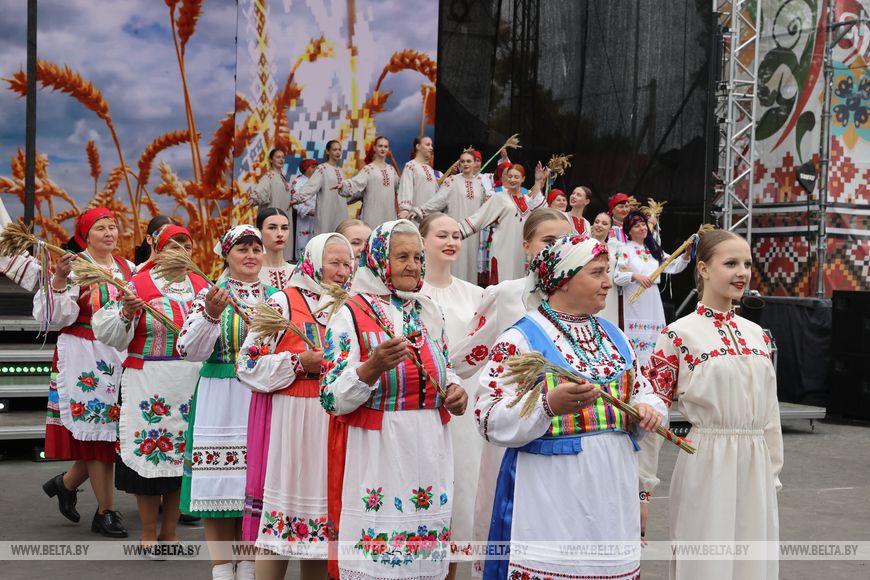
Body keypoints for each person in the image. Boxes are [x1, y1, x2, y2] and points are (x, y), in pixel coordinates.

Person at [476, 234, 666, 580]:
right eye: (597, 273)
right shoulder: (521, 339)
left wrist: (647, 408)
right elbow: (488, 417)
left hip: (612, 491)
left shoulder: (615, 336)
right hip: (551, 493)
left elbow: (642, 389)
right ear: (563, 279)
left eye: (607, 272)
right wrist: (546, 406)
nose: (608, 282)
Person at [320, 219, 468, 580]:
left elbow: (444, 366)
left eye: (417, 257)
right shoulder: (351, 312)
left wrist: (455, 389)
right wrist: (371, 368)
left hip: (430, 448)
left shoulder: (427, 310)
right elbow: (331, 396)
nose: (413, 266)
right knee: (382, 559)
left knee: (424, 553)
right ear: (378, 259)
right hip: (380, 450)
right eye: (402, 256)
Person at [641, 229, 782, 579]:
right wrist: (642, 489)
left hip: (756, 467)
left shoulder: (758, 335)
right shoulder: (677, 335)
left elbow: (770, 412)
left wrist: (772, 473)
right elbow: (652, 414)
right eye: (731, 263)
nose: (742, 273)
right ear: (703, 268)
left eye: (747, 264)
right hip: (705, 462)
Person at [237, 232, 354, 579]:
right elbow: (247, 364)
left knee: (321, 528)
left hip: (335, 422)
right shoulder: (283, 302)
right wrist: (300, 362)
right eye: (334, 263)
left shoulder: (352, 305)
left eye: (347, 263)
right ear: (313, 262)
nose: (342, 271)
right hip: (294, 423)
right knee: (283, 523)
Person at [92, 225, 207, 554]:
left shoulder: (202, 286)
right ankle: (146, 532)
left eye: (186, 244)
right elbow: (110, 333)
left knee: (180, 460)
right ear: (158, 248)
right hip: (148, 380)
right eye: (174, 244)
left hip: (189, 381)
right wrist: (127, 311)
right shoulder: (139, 283)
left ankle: (169, 533)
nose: (181, 250)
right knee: (150, 457)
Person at [178, 225, 277, 580]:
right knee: (219, 484)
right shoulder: (209, 295)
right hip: (220, 398)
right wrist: (210, 314)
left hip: (261, 397)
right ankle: (222, 569)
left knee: (254, 487)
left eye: (256, 248)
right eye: (242, 249)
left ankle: (248, 567)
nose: (250, 255)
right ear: (226, 255)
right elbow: (188, 350)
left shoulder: (276, 298)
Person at [37, 208, 134, 538]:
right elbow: (54, 318)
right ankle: (105, 512)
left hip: (118, 355)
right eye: (100, 228)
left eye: (113, 227)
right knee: (98, 432)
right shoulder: (74, 266)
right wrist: (59, 280)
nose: (109, 233)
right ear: (85, 236)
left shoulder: (127, 268)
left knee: (108, 435)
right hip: (84, 356)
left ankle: (65, 485)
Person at [419, 213, 484, 576]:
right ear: (422, 240)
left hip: (465, 406)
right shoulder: (410, 295)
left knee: (462, 495)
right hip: (423, 406)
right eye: (441, 235)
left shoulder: (476, 295)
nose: (451, 241)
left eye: (456, 235)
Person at [613, 210, 691, 367]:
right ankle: (638, 367)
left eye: (643, 224)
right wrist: (636, 276)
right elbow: (618, 277)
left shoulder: (654, 249)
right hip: (635, 297)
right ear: (629, 231)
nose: (642, 228)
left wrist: (686, 254)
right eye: (637, 226)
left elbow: (673, 266)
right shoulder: (625, 249)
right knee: (637, 334)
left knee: (654, 334)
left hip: (652, 296)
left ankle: (653, 368)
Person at [457, 163, 547, 285]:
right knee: (503, 280)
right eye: (510, 176)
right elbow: (480, 217)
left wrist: (538, 182)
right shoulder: (498, 198)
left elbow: (541, 211)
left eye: (516, 177)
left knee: (519, 282)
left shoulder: (527, 200)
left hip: (521, 249)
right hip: (503, 246)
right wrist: (456, 231)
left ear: (523, 179)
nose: (512, 180)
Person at [417, 151, 487, 282]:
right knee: (456, 260)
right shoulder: (452, 180)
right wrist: (419, 211)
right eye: (462, 161)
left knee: (470, 261)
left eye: (468, 161)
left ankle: (468, 291)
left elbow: (484, 208)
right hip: (455, 230)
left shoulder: (479, 184)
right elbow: (438, 200)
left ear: (475, 163)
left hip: (473, 233)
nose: (465, 164)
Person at [339, 135, 400, 229]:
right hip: (372, 214)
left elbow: (400, 185)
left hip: (389, 214)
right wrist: (343, 185)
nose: (383, 149)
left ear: (388, 149)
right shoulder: (368, 169)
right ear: (374, 148)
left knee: (387, 234)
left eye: (385, 146)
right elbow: (356, 183)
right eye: (380, 146)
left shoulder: (391, 170)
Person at [297, 140, 350, 235]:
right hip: (327, 209)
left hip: (340, 209)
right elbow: (311, 186)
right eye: (334, 150)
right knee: (325, 235)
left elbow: (346, 191)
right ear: (327, 151)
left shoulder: (340, 171)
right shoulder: (322, 168)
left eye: (339, 150)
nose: (338, 152)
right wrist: (298, 198)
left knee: (340, 234)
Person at [251, 149, 294, 238]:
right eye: (278, 157)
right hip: (273, 216)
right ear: (271, 160)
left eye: (283, 157)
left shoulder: (284, 178)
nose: (281, 160)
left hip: (285, 215)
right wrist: (254, 199)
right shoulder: (269, 176)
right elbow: (260, 191)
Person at [590, 211, 620, 326]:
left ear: (610, 229)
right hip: (592, 288)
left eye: (604, 223)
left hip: (610, 291)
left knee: (609, 320)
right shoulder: (585, 244)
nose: (599, 225)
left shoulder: (615, 248)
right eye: (597, 222)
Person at [398, 135, 438, 218]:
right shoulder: (410, 166)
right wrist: (405, 209)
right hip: (414, 215)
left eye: (431, 145)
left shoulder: (430, 169)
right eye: (427, 144)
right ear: (418, 146)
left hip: (430, 215)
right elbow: (406, 188)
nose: (431, 148)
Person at [257, 208, 294, 289]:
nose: (280, 234)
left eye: (284, 228)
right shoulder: (251, 273)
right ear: (259, 231)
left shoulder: (298, 273)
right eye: (272, 228)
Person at [292, 159, 319, 261]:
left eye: (316, 167)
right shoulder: (297, 182)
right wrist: (308, 211)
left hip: (317, 219)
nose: (315, 169)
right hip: (304, 220)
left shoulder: (318, 181)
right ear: (305, 168)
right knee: (303, 243)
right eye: (313, 167)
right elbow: (294, 202)